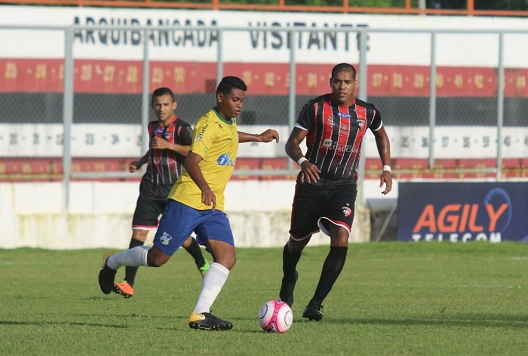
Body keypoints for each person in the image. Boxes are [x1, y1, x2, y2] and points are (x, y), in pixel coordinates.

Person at [98, 76, 280, 331]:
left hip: (213, 206)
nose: (239, 105)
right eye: (235, 99)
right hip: (188, 200)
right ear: (220, 98)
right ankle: (112, 263)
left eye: (242, 101)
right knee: (157, 258)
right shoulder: (207, 123)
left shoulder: (228, 120)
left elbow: (229, 136)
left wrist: (258, 138)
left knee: (226, 256)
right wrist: (205, 187)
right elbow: (192, 160)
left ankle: (200, 313)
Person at [278, 63, 392, 321]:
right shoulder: (316, 108)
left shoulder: (367, 112)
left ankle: (316, 303)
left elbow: (381, 135)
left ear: (355, 84)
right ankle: (288, 279)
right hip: (312, 184)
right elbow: (292, 142)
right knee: (296, 243)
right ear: (331, 82)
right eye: (337, 81)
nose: (342, 86)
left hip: (344, 186)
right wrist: (304, 162)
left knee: (341, 238)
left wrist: (386, 167)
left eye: (347, 82)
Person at [111, 87, 210, 299]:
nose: (161, 108)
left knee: (182, 239)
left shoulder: (183, 129)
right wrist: (141, 162)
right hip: (150, 187)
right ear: (153, 106)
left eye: (165, 104)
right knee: (139, 233)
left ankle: (201, 262)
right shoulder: (152, 127)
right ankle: (129, 282)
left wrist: (169, 145)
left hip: (174, 190)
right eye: (157, 105)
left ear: (174, 105)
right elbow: (154, 149)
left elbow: (195, 151)